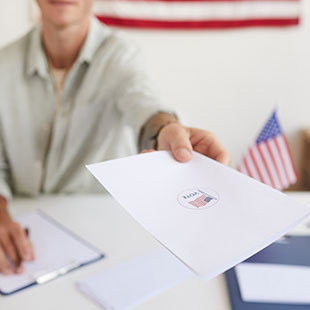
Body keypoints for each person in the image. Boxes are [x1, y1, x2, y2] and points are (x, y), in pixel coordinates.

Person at [0, 0, 230, 275]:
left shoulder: (120, 56)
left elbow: (144, 103)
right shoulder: (5, 63)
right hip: (21, 226)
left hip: (102, 232)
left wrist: (165, 129)